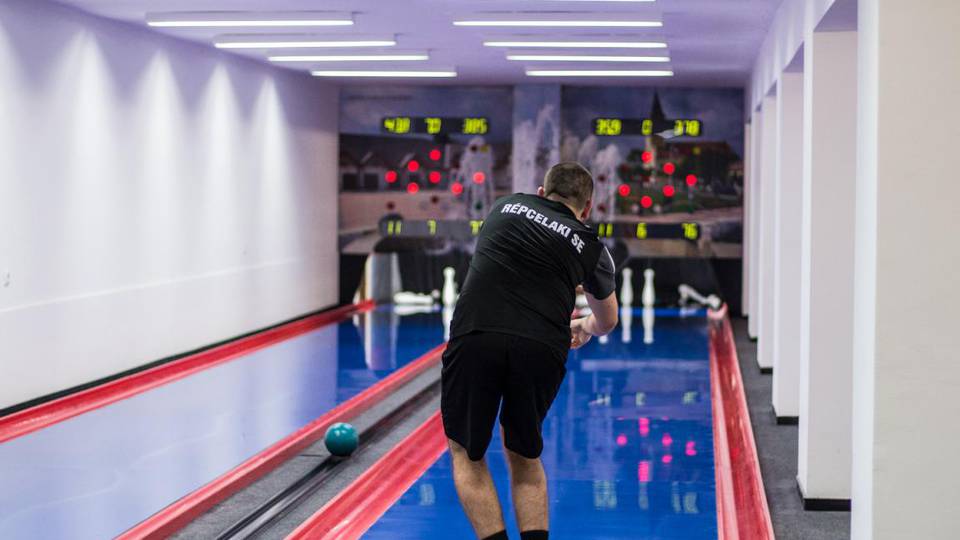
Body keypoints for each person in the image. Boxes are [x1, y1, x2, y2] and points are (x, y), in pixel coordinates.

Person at [441, 162, 619, 540]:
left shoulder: (504, 206)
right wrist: (584, 327)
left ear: (541, 192)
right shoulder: (592, 247)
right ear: (587, 208)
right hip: (541, 345)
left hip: (478, 333)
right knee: (524, 455)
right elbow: (608, 320)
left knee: (466, 453)